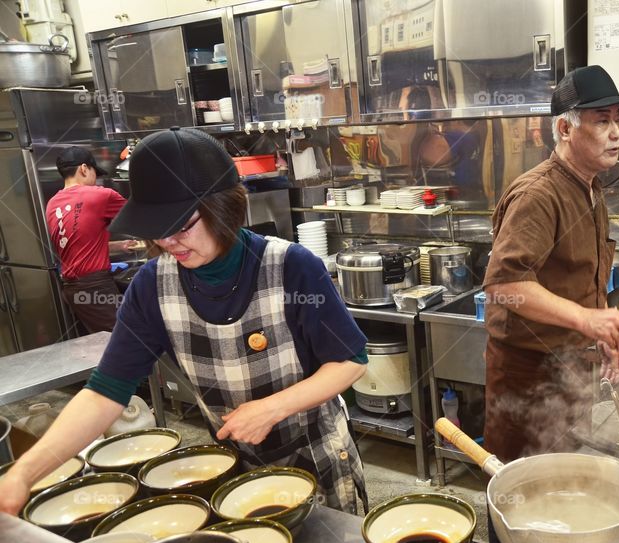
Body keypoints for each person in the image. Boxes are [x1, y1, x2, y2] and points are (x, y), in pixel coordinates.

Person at [1, 128, 368, 516]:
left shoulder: (290, 266)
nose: (168, 242)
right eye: (156, 230)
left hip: (317, 460)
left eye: (181, 225)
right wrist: (23, 475)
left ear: (224, 207)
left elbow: (351, 360)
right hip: (232, 469)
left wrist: (272, 408)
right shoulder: (152, 286)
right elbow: (105, 393)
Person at [482, 65, 619, 463]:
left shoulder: (591, 188)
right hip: (528, 377)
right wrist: (587, 320)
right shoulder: (539, 194)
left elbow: (579, 279)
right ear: (566, 130)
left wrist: (597, 330)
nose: (617, 132)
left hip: (570, 372)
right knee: (522, 495)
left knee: (566, 491)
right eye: (602, 121)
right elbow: (503, 285)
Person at [45, 146, 132, 333]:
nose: (96, 180)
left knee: (110, 343)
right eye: (94, 172)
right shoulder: (100, 195)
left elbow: (80, 243)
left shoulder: (53, 203)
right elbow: (141, 218)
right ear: (84, 169)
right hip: (94, 287)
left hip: (74, 288)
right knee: (125, 341)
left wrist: (119, 246)